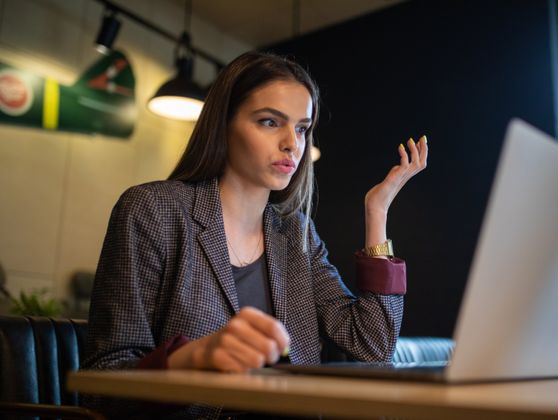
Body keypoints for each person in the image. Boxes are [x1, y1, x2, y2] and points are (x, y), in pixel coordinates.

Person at [82, 51, 428, 419]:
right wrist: (195, 359)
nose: (292, 144)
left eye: (301, 128)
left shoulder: (296, 234)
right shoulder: (153, 210)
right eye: (269, 122)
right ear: (224, 124)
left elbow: (373, 345)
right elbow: (103, 383)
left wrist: (377, 212)